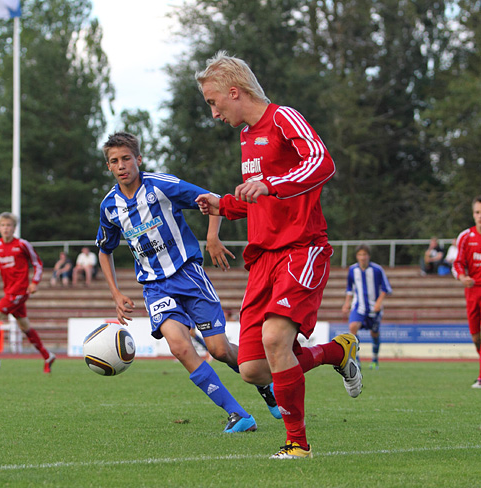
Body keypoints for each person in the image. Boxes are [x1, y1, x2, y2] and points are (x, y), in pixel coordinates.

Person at [194, 51, 362, 459]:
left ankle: (297, 445)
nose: (214, 113)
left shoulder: (284, 117)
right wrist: (225, 206)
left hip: (300, 249)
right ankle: (336, 352)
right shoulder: (246, 137)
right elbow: (259, 199)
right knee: (253, 368)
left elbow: (322, 163)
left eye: (214, 103)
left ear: (234, 92)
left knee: (274, 339)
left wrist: (270, 183)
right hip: (263, 258)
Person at [96, 132, 280, 434]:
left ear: (138, 159)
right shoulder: (109, 207)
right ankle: (238, 414)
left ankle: (264, 382)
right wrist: (115, 293)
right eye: (114, 161)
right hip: (154, 287)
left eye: (126, 158)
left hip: (188, 275)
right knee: (180, 347)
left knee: (219, 350)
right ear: (108, 167)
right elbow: (104, 250)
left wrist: (212, 237)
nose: (121, 166)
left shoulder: (162, 185)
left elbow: (213, 201)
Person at [0, 212, 56, 373]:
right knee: (25, 326)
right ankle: (47, 355)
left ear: (14, 228)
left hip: (19, 291)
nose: (6, 228)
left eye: (9, 225)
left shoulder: (22, 244)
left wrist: (34, 283)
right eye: (3, 225)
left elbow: (37, 263)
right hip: (9, 291)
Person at [341, 244, 392, 369]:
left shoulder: (377, 270)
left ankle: (374, 360)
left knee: (374, 333)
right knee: (353, 327)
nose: (362, 257)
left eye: (364, 254)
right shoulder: (353, 270)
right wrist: (347, 302)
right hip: (359, 307)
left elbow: (386, 288)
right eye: (360, 255)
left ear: (368, 256)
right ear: (357, 256)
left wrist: (379, 302)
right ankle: (356, 360)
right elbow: (349, 288)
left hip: (374, 308)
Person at [452, 196, 481, 389]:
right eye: (478, 212)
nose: (480, 216)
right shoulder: (465, 237)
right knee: (476, 338)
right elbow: (457, 263)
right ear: (473, 214)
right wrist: (462, 277)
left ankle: (480, 377)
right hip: (472, 292)